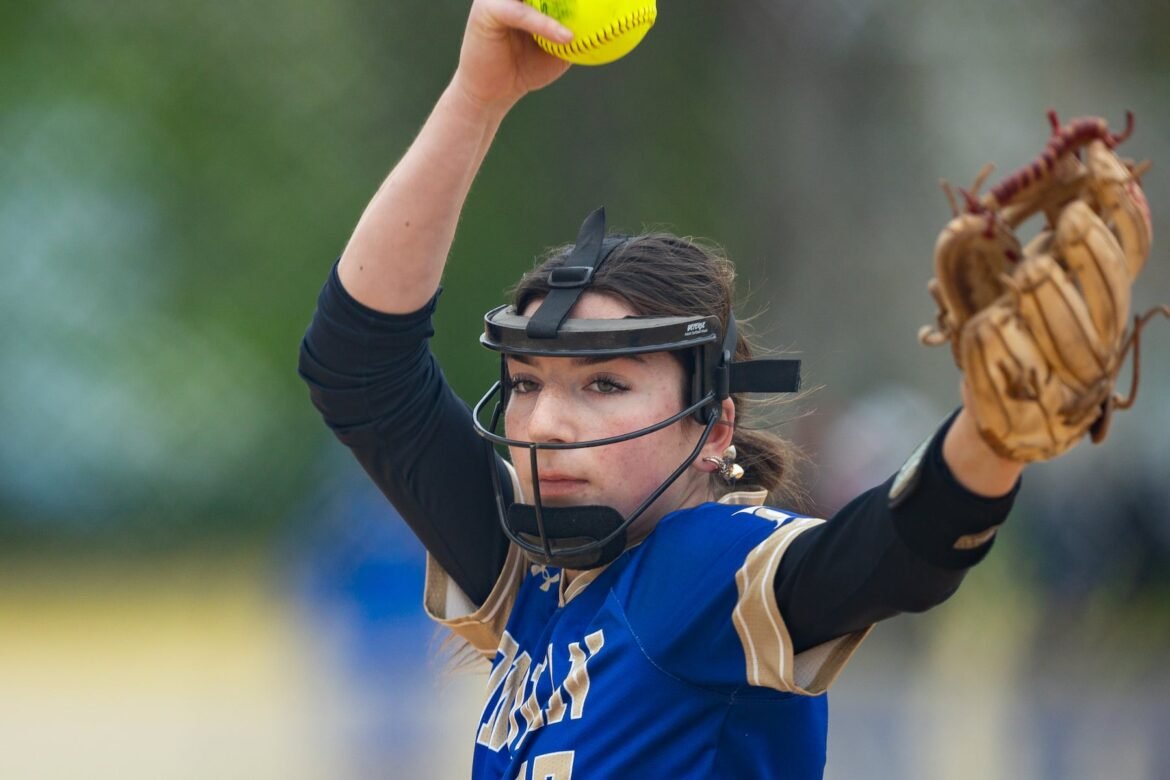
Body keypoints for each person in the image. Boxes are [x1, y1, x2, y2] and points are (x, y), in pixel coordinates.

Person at [298, 1, 1026, 776]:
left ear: (715, 428)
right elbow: (358, 366)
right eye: (525, 383)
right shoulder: (531, 574)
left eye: (605, 384)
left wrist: (994, 433)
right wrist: (478, 97)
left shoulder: (703, 563)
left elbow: (894, 552)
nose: (545, 422)